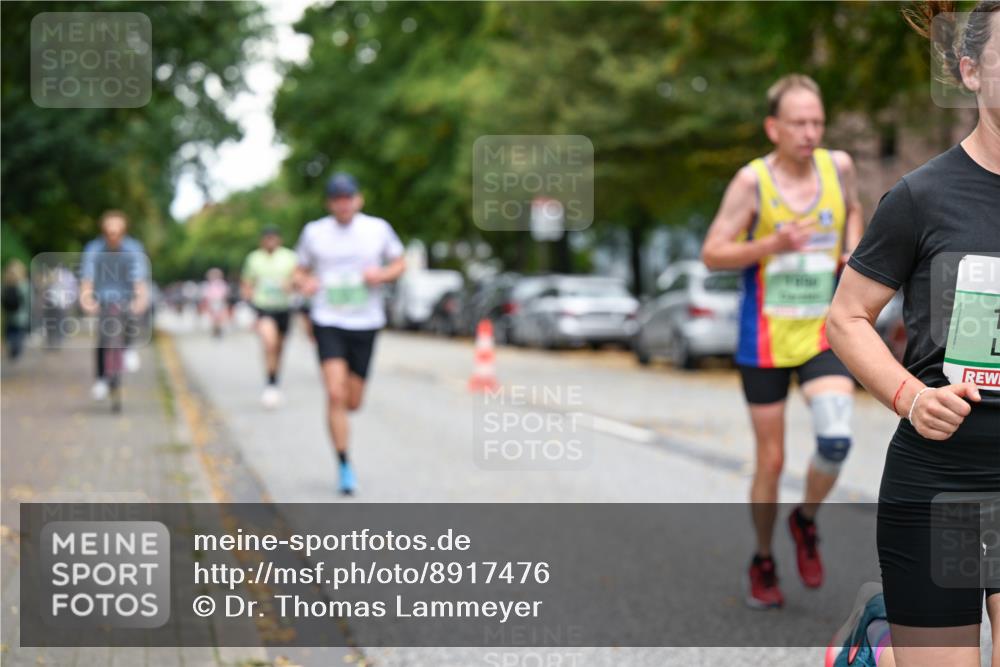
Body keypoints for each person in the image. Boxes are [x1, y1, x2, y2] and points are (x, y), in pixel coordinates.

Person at [826, 2, 999, 666]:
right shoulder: (922, 198)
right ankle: (878, 642)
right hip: (942, 477)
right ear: (970, 73)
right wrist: (909, 396)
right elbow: (845, 318)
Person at [701, 74, 864, 608]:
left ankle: (806, 519)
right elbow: (713, 252)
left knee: (836, 438)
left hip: (823, 330)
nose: (810, 132)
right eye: (798, 122)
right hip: (765, 336)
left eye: (817, 121)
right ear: (773, 127)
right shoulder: (751, 183)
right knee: (770, 462)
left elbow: (854, 214)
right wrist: (770, 243)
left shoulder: (838, 168)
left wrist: (852, 253)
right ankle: (764, 556)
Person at [293, 173, 406, 495]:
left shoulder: (377, 229)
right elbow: (299, 271)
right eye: (336, 198)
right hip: (328, 319)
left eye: (348, 197)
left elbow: (400, 263)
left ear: (358, 199)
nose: (343, 203)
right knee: (334, 394)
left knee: (353, 401)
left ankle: (344, 441)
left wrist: (382, 274)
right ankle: (344, 464)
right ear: (330, 203)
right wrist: (305, 283)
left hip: (366, 322)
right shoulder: (314, 233)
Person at [79, 210, 148, 400]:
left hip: (126, 295)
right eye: (109, 232)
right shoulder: (93, 249)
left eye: (117, 232)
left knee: (132, 314)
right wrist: (87, 299)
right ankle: (101, 379)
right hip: (103, 297)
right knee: (103, 337)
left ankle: (129, 348)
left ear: (124, 231)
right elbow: (87, 278)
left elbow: (139, 280)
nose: (113, 236)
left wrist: (140, 300)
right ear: (103, 231)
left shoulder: (134, 248)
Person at [241, 225, 298, 408]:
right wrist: (247, 303)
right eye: (267, 238)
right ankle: (270, 384)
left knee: (279, 348)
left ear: (279, 239)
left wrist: (291, 284)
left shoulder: (289, 257)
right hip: (263, 307)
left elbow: (299, 278)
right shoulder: (254, 259)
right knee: (269, 343)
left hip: (284, 307)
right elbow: (247, 283)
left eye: (273, 238)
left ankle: (274, 379)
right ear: (262, 240)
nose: (270, 241)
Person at [2, 260, 31, 360]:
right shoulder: (24, 284)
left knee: (12, 336)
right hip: (19, 316)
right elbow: (29, 301)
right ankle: (16, 353)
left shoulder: (6, 285)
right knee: (16, 336)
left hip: (12, 316)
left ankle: (15, 353)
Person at [200, 268, 230, 338]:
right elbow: (206, 296)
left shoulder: (221, 284)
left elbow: (224, 295)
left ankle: (218, 330)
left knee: (219, 317)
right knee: (214, 318)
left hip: (219, 302)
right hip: (212, 302)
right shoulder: (208, 284)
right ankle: (216, 330)